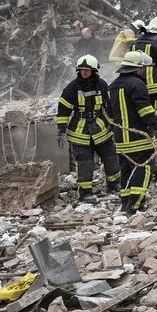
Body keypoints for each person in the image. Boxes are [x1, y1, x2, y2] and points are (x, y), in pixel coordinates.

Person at [56, 55, 121, 202]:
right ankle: (85, 193)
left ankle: (114, 184)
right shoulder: (72, 88)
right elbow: (63, 109)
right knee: (85, 163)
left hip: (101, 129)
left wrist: (113, 122)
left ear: (94, 71)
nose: (84, 73)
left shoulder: (102, 85)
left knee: (111, 157)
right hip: (80, 131)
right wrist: (61, 129)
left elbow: (109, 106)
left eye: (87, 70)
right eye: (82, 70)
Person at [108, 51, 157, 213]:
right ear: (138, 68)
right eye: (143, 68)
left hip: (120, 139)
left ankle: (125, 203)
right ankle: (135, 205)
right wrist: (156, 126)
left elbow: (109, 112)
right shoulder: (137, 84)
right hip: (138, 137)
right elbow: (144, 109)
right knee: (143, 169)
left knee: (126, 170)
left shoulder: (113, 85)